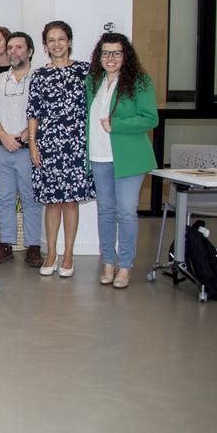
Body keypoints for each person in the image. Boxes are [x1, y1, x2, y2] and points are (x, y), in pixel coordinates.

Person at [86, 33, 158, 289]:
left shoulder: (139, 82)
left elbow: (151, 118)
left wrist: (117, 124)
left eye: (116, 53)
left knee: (126, 213)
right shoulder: (93, 81)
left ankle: (125, 266)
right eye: (106, 53)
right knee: (105, 212)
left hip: (128, 158)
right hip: (98, 156)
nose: (111, 58)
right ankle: (108, 262)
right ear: (99, 56)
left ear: (125, 55)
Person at [27, 21, 95, 279]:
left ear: (69, 41)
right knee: (52, 202)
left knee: (70, 201)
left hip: (77, 143)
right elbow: (33, 112)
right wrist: (33, 142)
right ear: (45, 45)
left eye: (61, 39)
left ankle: (68, 254)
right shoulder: (40, 75)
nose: (56, 44)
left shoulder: (84, 72)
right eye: (51, 40)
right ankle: (52, 252)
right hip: (48, 143)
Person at [0, 32, 43, 267]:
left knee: (30, 198)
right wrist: (4, 136)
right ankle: (5, 244)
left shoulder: (39, 79)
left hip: (29, 149)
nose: (13, 52)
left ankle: (33, 246)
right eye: (10, 48)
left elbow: (44, 112)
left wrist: (26, 134)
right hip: (1, 147)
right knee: (5, 198)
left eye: (19, 48)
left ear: (29, 51)